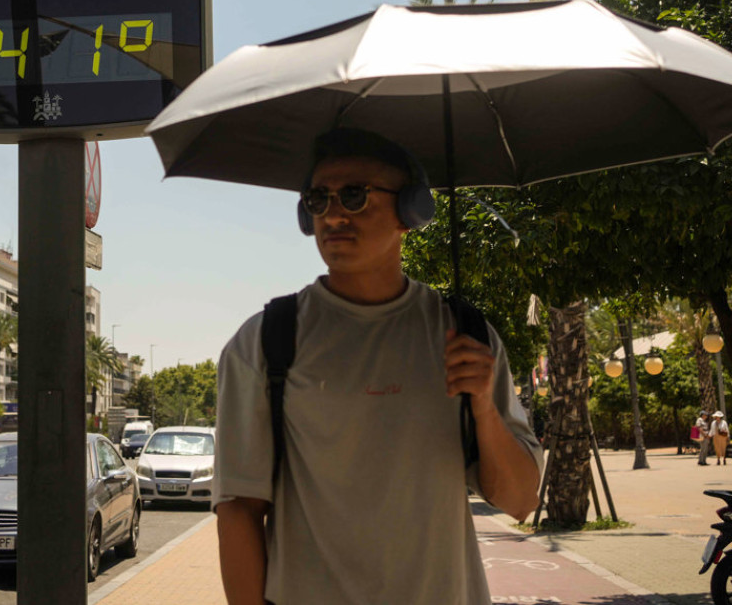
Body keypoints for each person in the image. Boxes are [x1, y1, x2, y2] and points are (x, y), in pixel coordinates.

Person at [213, 128, 543, 605]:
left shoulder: (465, 335)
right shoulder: (264, 342)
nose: (333, 215)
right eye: (318, 199)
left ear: (411, 212)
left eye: (354, 195)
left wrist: (484, 412)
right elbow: (239, 510)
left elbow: (520, 501)